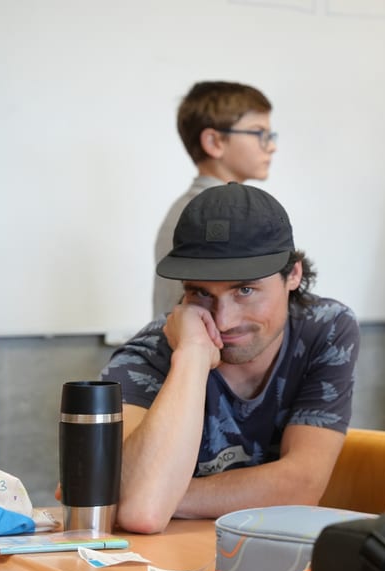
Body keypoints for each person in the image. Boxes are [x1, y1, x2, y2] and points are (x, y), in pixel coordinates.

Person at [103, 183, 359, 534]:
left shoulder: (326, 330)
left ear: (293, 275)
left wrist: (156, 494)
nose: (223, 321)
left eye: (245, 290)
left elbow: (302, 484)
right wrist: (191, 358)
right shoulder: (148, 355)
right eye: (201, 293)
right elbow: (143, 514)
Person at [153, 81, 276, 318]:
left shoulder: (193, 210)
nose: (271, 146)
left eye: (271, 135)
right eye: (259, 133)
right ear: (214, 142)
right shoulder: (207, 219)